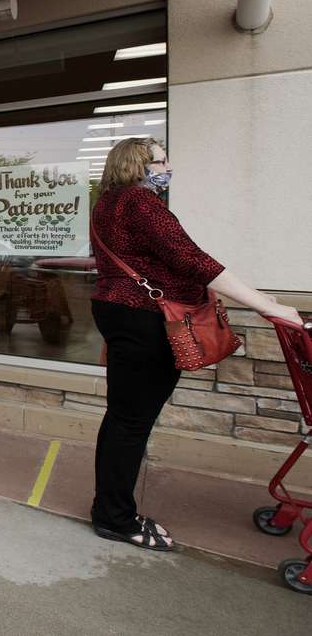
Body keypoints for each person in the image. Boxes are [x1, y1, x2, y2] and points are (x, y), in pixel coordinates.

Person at [90, 138, 301, 551]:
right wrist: (264, 304)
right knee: (130, 423)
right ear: (138, 165)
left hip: (121, 313)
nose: (169, 166)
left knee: (122, 419)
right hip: (147, 319)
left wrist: (264, 298)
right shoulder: (140, 201)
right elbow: (193, 259)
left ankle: (110, 510)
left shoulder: (107, 203)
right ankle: (115, 518)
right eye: (162, 160)